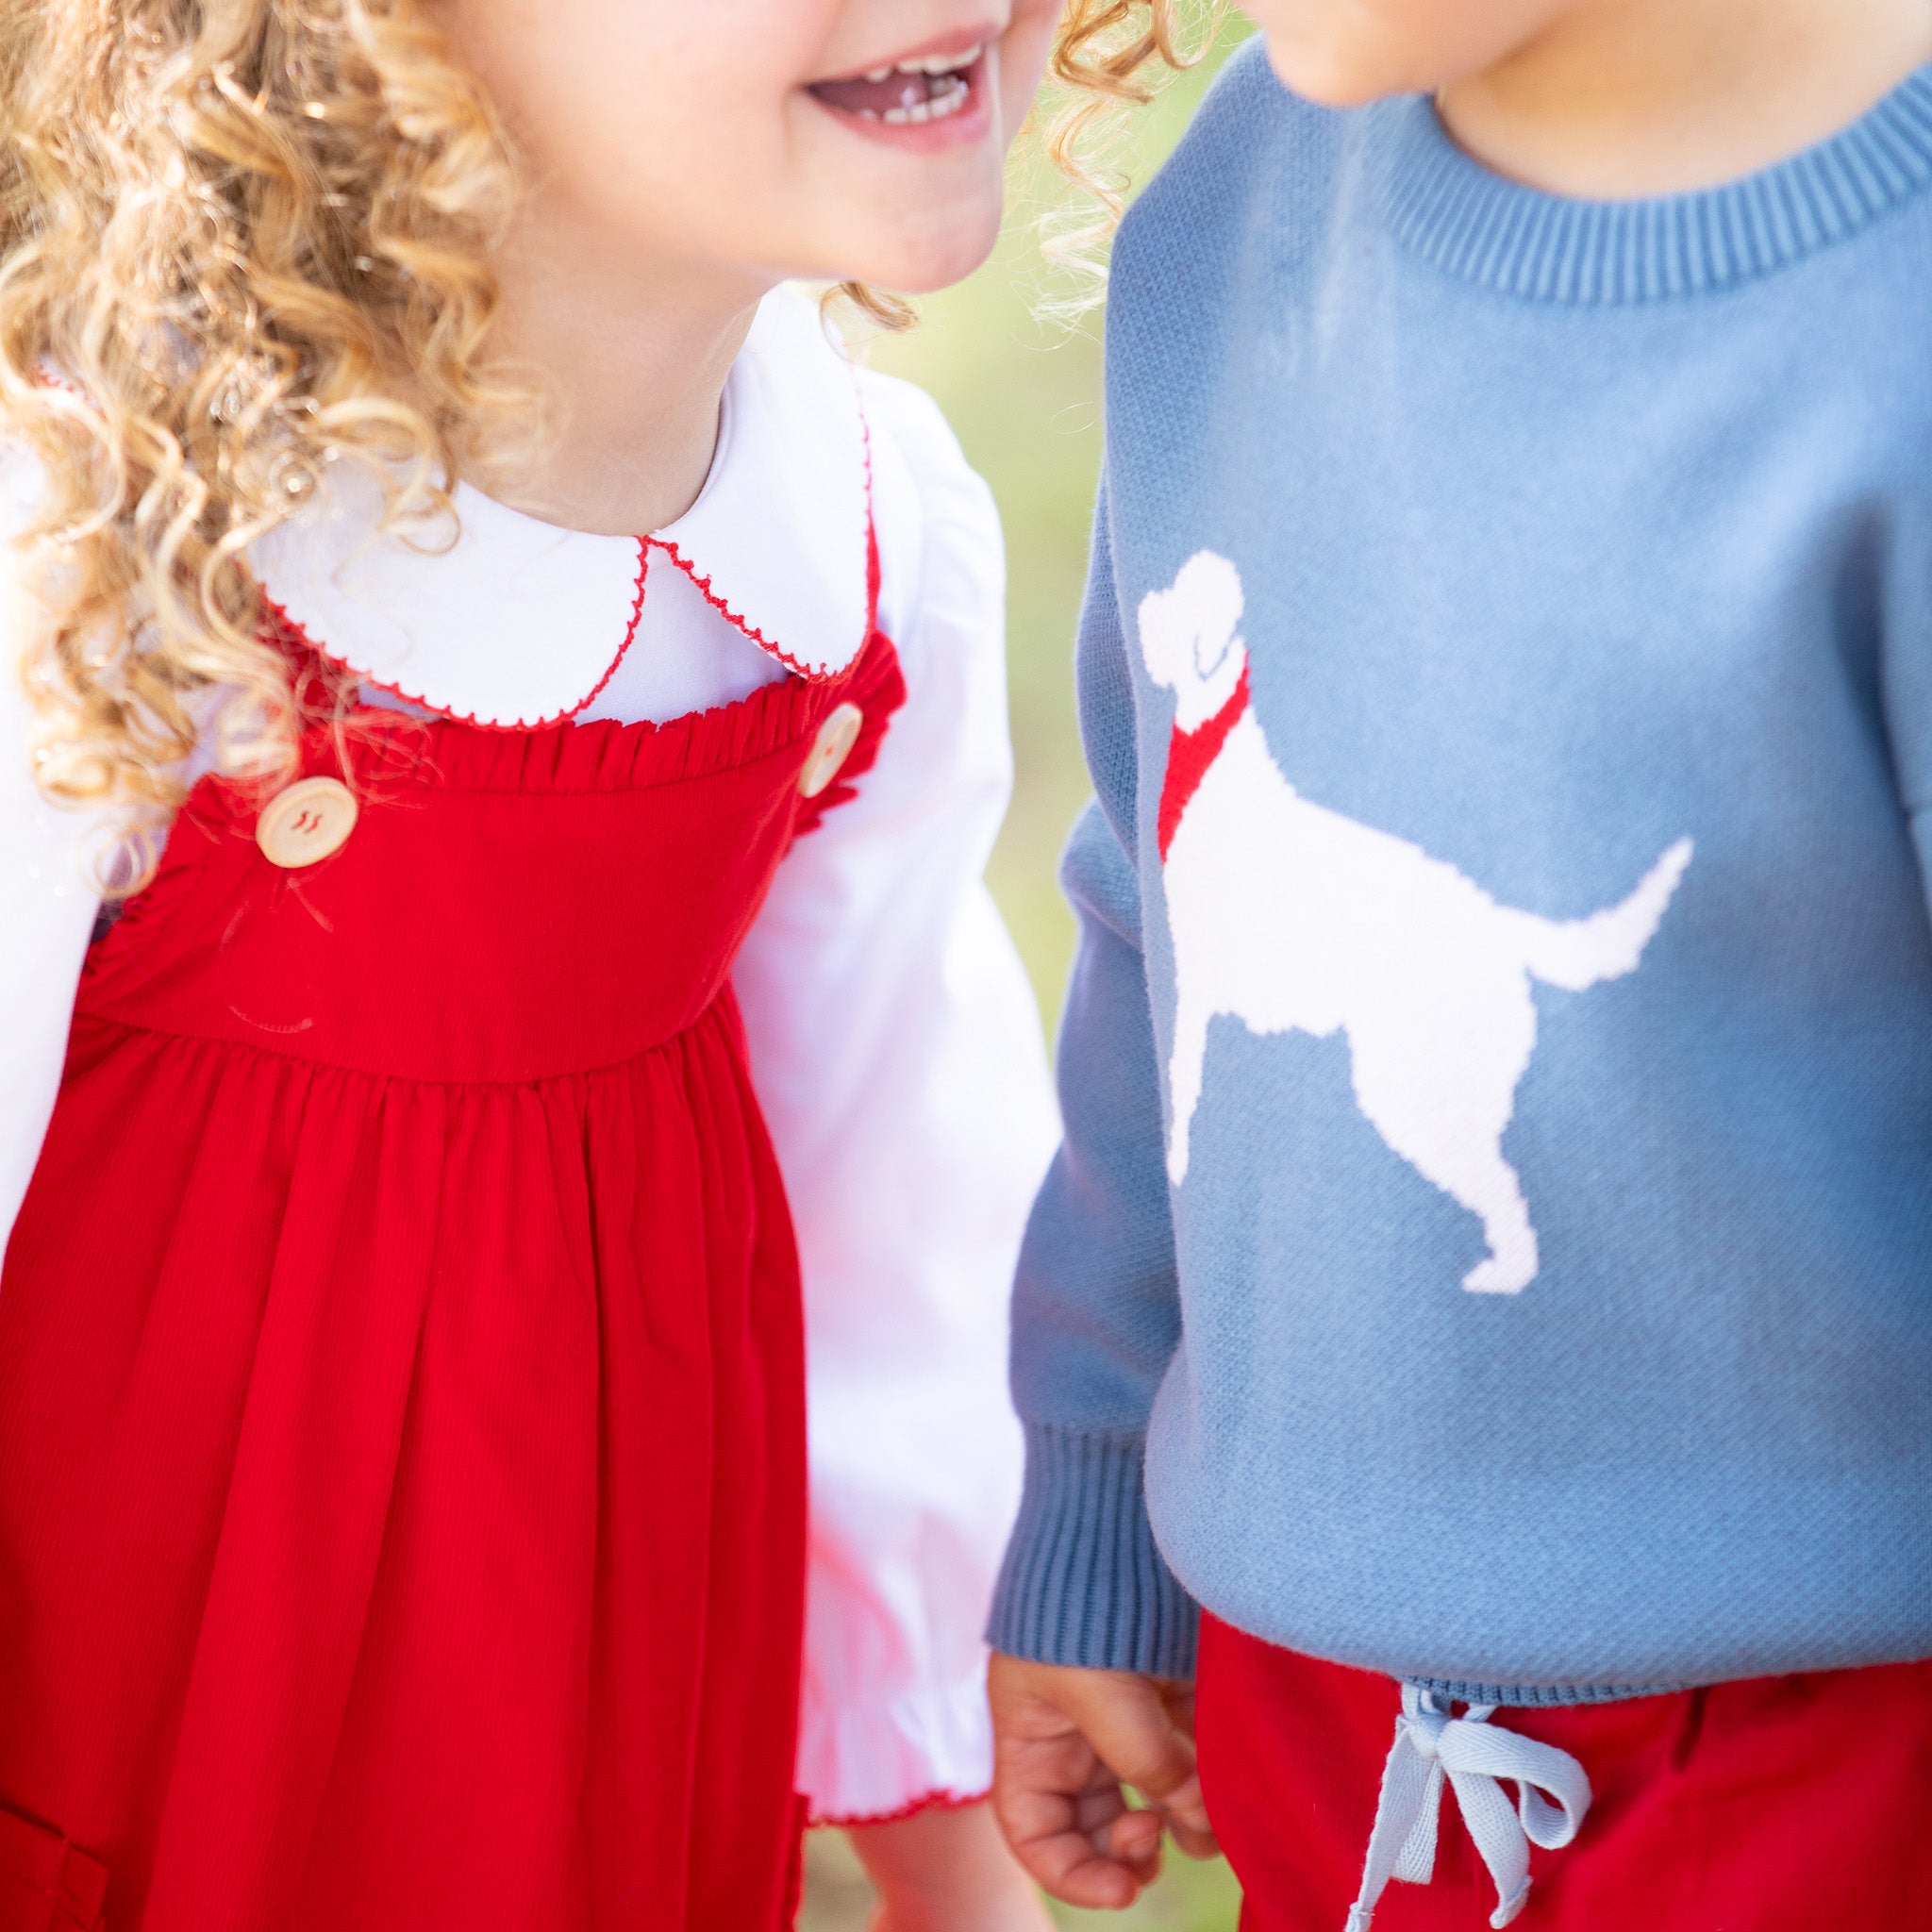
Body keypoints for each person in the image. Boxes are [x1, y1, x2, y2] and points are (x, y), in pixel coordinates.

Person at [0, 3, 1065, 1928]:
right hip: (144, 1706)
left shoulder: (866, 540)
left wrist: (957, 1857)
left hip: (597, 1690)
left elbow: (890, 1198)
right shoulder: (104, 551)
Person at [986, 0, 1932, 1926]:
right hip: (1331, 1727)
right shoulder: (1230, 208)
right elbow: (1150, 912)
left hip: (1834, 1752)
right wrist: (1098, 1483)